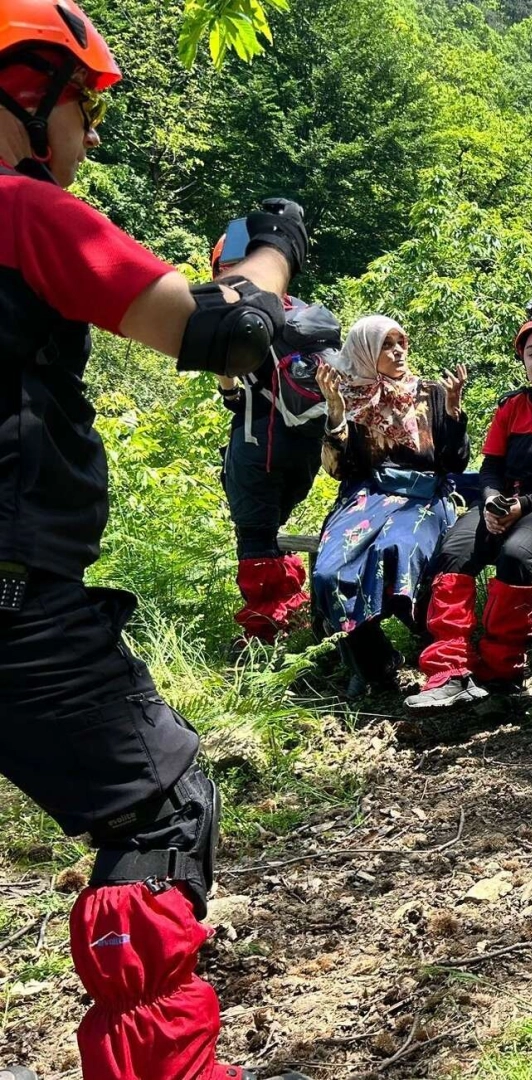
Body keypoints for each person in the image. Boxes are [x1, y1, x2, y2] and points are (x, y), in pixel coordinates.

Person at [0, 3, 312, 1078]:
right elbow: (221, 329)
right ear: (27, 94)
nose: (91, 136)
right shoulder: (21, 209)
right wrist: (271, 252)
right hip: (13, 603)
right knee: (165, 802)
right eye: (84, 106)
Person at [406, 299, 532, 709]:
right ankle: (449, 669)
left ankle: (501, 672)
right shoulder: (510, 406)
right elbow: (491, 465)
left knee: (517, 553)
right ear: (523, 360)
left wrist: (523, 505)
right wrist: (493, 499)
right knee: (455, 549)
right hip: (509, 502)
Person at [311, 316, 469, 699]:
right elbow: (337, 469)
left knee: (396, 551)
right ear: (365, 351)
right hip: (367, 497)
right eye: (386, 345)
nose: (398, 351)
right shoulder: (348, 397)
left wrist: (452, 414)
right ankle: (375, 662)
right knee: (328, 573)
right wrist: (335, 415)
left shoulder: (429, 392)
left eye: (401, 342)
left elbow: (454, 463)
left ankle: (431, 648)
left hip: (424, 496)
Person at [212, 232, 338, 645]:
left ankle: (268, 631)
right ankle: (291, 614)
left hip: (256, 446)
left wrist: (229, 390)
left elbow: (233, 391)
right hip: (305, 451)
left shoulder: (239, 316)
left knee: (254, 539)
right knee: (270, 533)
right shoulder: (301, 315)